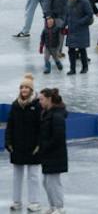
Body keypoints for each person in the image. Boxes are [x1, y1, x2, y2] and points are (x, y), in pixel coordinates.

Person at [5, 74, 42, 212]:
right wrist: (8, 142)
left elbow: (41, 127)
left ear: (31, 90)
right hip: (18, 146)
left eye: (27, 87)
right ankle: (17, 201)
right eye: (22, 87)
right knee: (17, 175)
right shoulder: (15, 105)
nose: (24, 90)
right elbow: (10, 125)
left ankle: (35, 202)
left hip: (33, 147)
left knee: (33, 176)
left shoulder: (37, 106)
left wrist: (39, 144)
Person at [36, 88, 67, 214]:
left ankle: (59, 207)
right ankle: (53, 206)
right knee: (46, 182)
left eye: (41, 99)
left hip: (56, 154)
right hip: (48, 154)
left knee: (53, 182)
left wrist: (45, 147)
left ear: (49, 99)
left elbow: (58, 137)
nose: (40, 102)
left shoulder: (57, 115)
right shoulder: (47, 113)